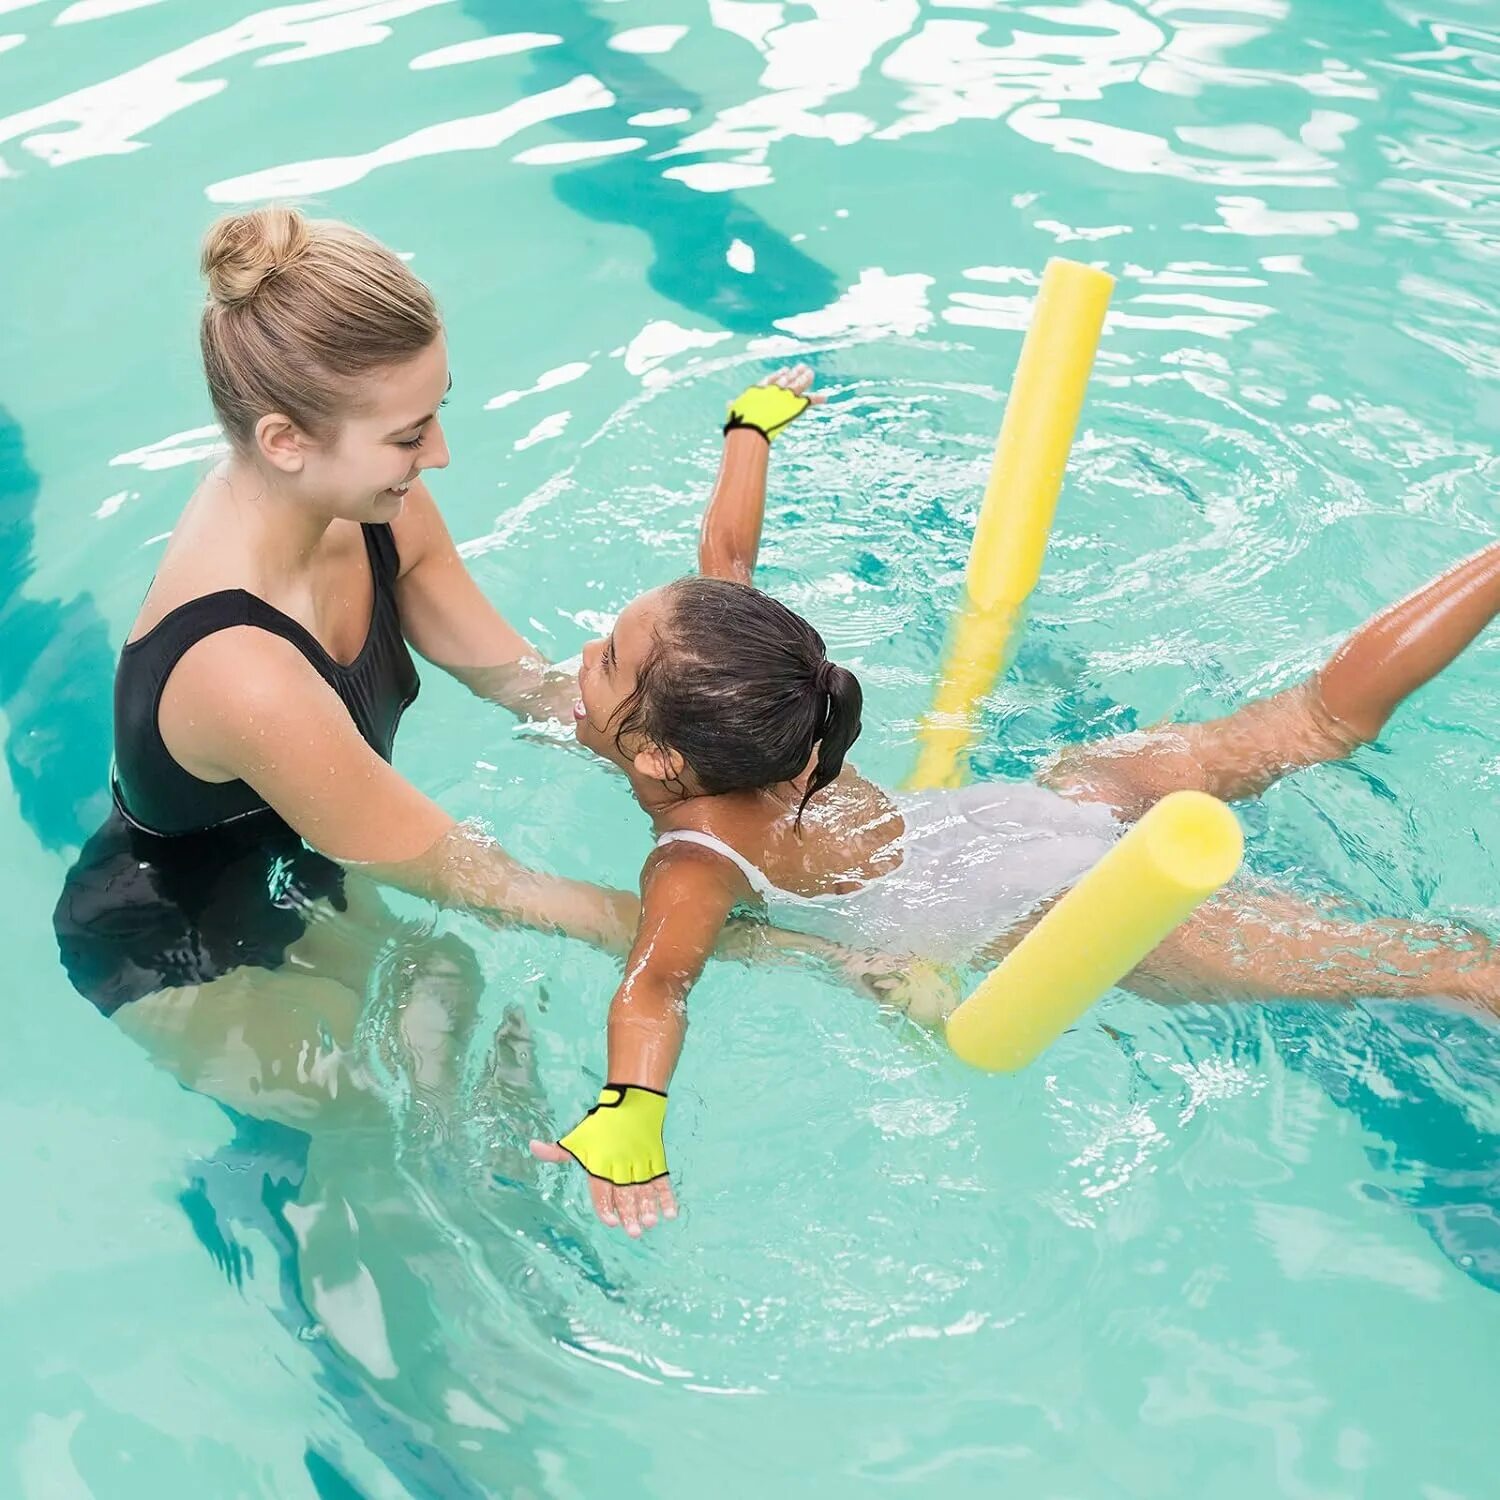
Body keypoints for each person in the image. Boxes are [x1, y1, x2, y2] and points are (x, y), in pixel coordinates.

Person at [530, 369, 1500, 1236]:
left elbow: (657, 983)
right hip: (1024, 812)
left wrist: (632, 1109)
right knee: (1313, 719)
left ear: (657, 758)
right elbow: (728, 558)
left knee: (1442, 968)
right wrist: (750, 431)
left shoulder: (693, 859)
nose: (585, 657)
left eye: (607, 657)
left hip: (1056, 915)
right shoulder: (777, 708)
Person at [51, 208, 908, 1132]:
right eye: (408, 435)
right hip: (190, 943)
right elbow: (487, 883)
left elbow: (529, 688)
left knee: (452, 998)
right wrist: (795, 951)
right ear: (285, 440)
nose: (439, 456)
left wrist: (728, 769)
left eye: (436, 414)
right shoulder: (240, 673)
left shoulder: (375, 507)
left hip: (313, 864)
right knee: (390, 1120)